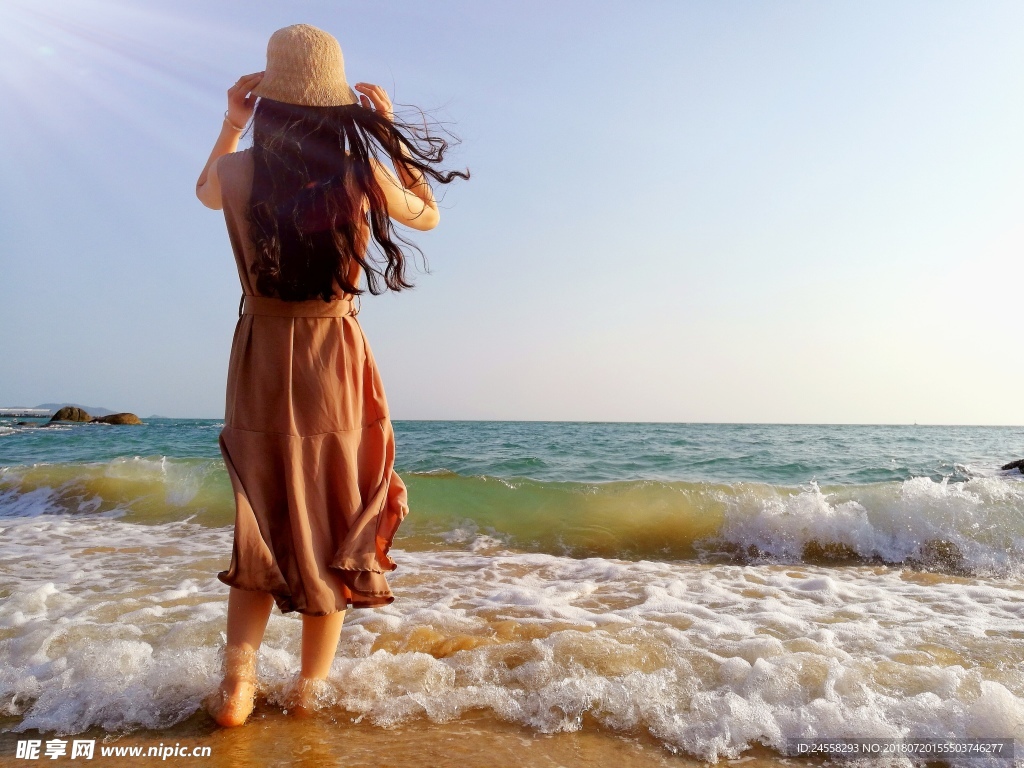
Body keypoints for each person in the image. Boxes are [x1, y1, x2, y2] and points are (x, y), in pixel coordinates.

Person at [194, 24, 468, 727]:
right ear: (334, 102)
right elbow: (429, 216)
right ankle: (311, 690)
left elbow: (203, 191)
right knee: (337, 520)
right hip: (335, 360)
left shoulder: (236, 172)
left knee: (260, 517)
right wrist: (384, 134)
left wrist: (232, 122)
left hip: (258, 357)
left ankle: (237, 687)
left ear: (270, 96)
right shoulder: (361, 176)